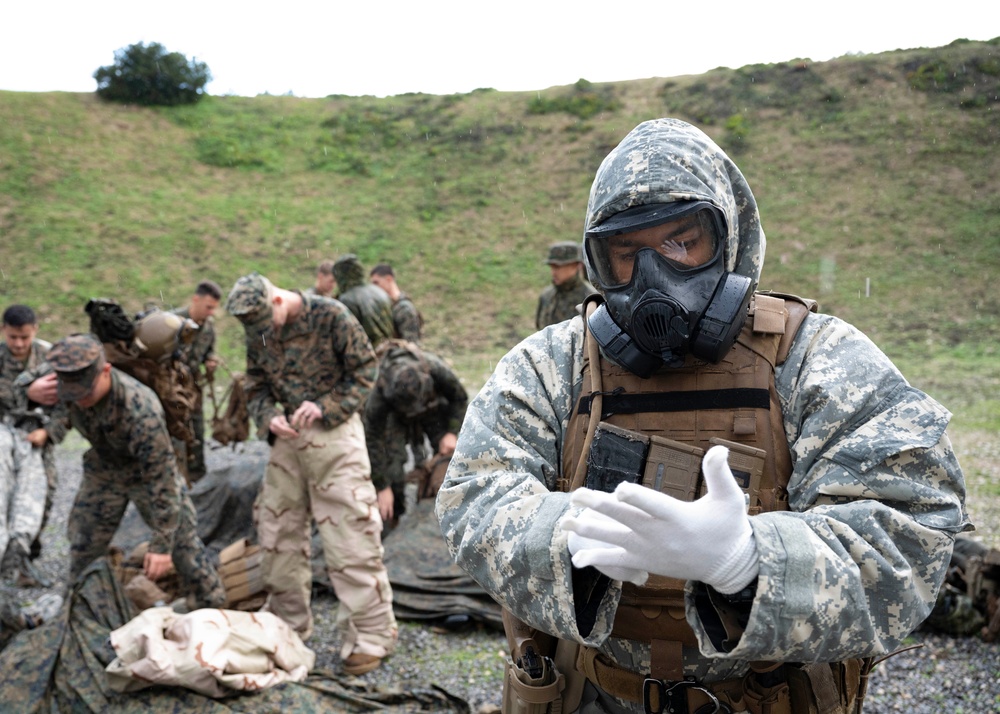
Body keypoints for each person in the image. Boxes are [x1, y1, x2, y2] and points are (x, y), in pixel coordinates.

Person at [436, 118, 970, 714]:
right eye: (628, 255)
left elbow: (910, 529)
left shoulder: (819, 361)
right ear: (599, 265)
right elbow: (473, 496)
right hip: (593, 690)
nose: (654, 279)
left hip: (765, 697)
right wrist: (570, 538)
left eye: (680, 243)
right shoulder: (551, 364)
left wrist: (751, 562)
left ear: (729, 240)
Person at [226, 272, 397, 675]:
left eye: (267, 323)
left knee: (350, 534)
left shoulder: (332, 315)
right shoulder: (259, 327)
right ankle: (288, 623)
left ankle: (371, 636)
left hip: (335, 435)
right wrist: (267, 416)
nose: (263, 333)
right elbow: (255, 384)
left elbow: (365, 370)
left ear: (279, 301)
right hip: (287, 438)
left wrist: (326, 406)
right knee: (277, 532)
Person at [46, 334, 225, 609]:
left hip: (146, 474)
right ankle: (79, 610)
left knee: (182, 543)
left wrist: (161, 547)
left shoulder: (140, 409)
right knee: (83, 543)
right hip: (104, 470)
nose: (79, 399)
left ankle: (211, 605)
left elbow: (163, 481)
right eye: (73, 393)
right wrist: (30, 389)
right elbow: (39, 387)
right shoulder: (70, 379)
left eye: (86, 392)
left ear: (105, 371)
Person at [364, 340, 467, 532]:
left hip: (433, 408)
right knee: (391, 465)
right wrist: (382, 485)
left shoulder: (434, 369)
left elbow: (459, 398)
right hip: (395, 416)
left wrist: (451, 433)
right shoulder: (379, 393)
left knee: (450, 459)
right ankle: (393, 515)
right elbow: (373, 438)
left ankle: (449, 508)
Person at [0, 304, 65, 585]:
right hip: (3, 434)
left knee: (45, 492)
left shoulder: (51, 357)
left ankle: (26, 559)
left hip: (36, 435)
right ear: (3, 331)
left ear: (35, 331)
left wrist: (49, 432)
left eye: (24, 337)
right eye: (13, 337)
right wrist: (26, 391)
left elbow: (67, 403)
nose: (18, 344)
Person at [171, 280, 222, 482]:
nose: (211, 312)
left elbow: (208, 354)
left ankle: (198, 479)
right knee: (175, 435)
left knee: (197, 435)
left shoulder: (209, 330)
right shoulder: (173, 322)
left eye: (214, 309)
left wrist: (210, 365)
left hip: (193, 390)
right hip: (171, 390)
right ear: (196, 300)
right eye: (208, 307)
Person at [332, 254, 395, 348]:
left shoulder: (347, 299)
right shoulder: (379, 291)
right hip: (389, 352)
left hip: (368, 355)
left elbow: (347, 337)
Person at [535, 241, 596, 330]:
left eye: (558, 267)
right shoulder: (546, 296)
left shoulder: (591, 299)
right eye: (552, 267)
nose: (553, 272)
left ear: (576, 265)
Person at [369, 263, 423, 343]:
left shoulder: (404, 309)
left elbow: (412, 345)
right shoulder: (388, 307)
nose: (373, 288)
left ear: (388, 279)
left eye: (376, 283)